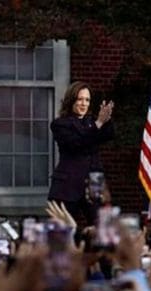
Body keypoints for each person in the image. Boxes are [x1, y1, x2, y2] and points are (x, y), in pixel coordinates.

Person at [48, 81, 114, 225]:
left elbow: (108, 134)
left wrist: (106, 119)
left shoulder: (91, 122)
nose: (84, 104)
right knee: (62, 231)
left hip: (95, 182)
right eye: (80, 99)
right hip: (68, 185)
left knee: (102, 229)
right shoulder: (60, 124)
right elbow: (76, 143)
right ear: (71, 100)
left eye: (87, 100)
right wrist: (98, 123)